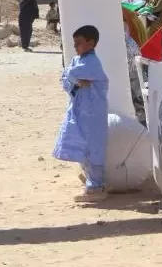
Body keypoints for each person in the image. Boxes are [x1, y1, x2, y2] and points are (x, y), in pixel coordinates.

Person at [53, 25, 109, 202]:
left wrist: (75, 79)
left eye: (79, 43)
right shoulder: (77, 60)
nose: (75, 46)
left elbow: (71, 74)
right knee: (82, 146)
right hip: (80, 111)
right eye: (75, 43)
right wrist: (78, 82)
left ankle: (96, 187)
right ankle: (92, 182)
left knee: (93, 148)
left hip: (93, 113)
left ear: (90, 43)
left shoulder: (92, 62)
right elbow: (65, 78)